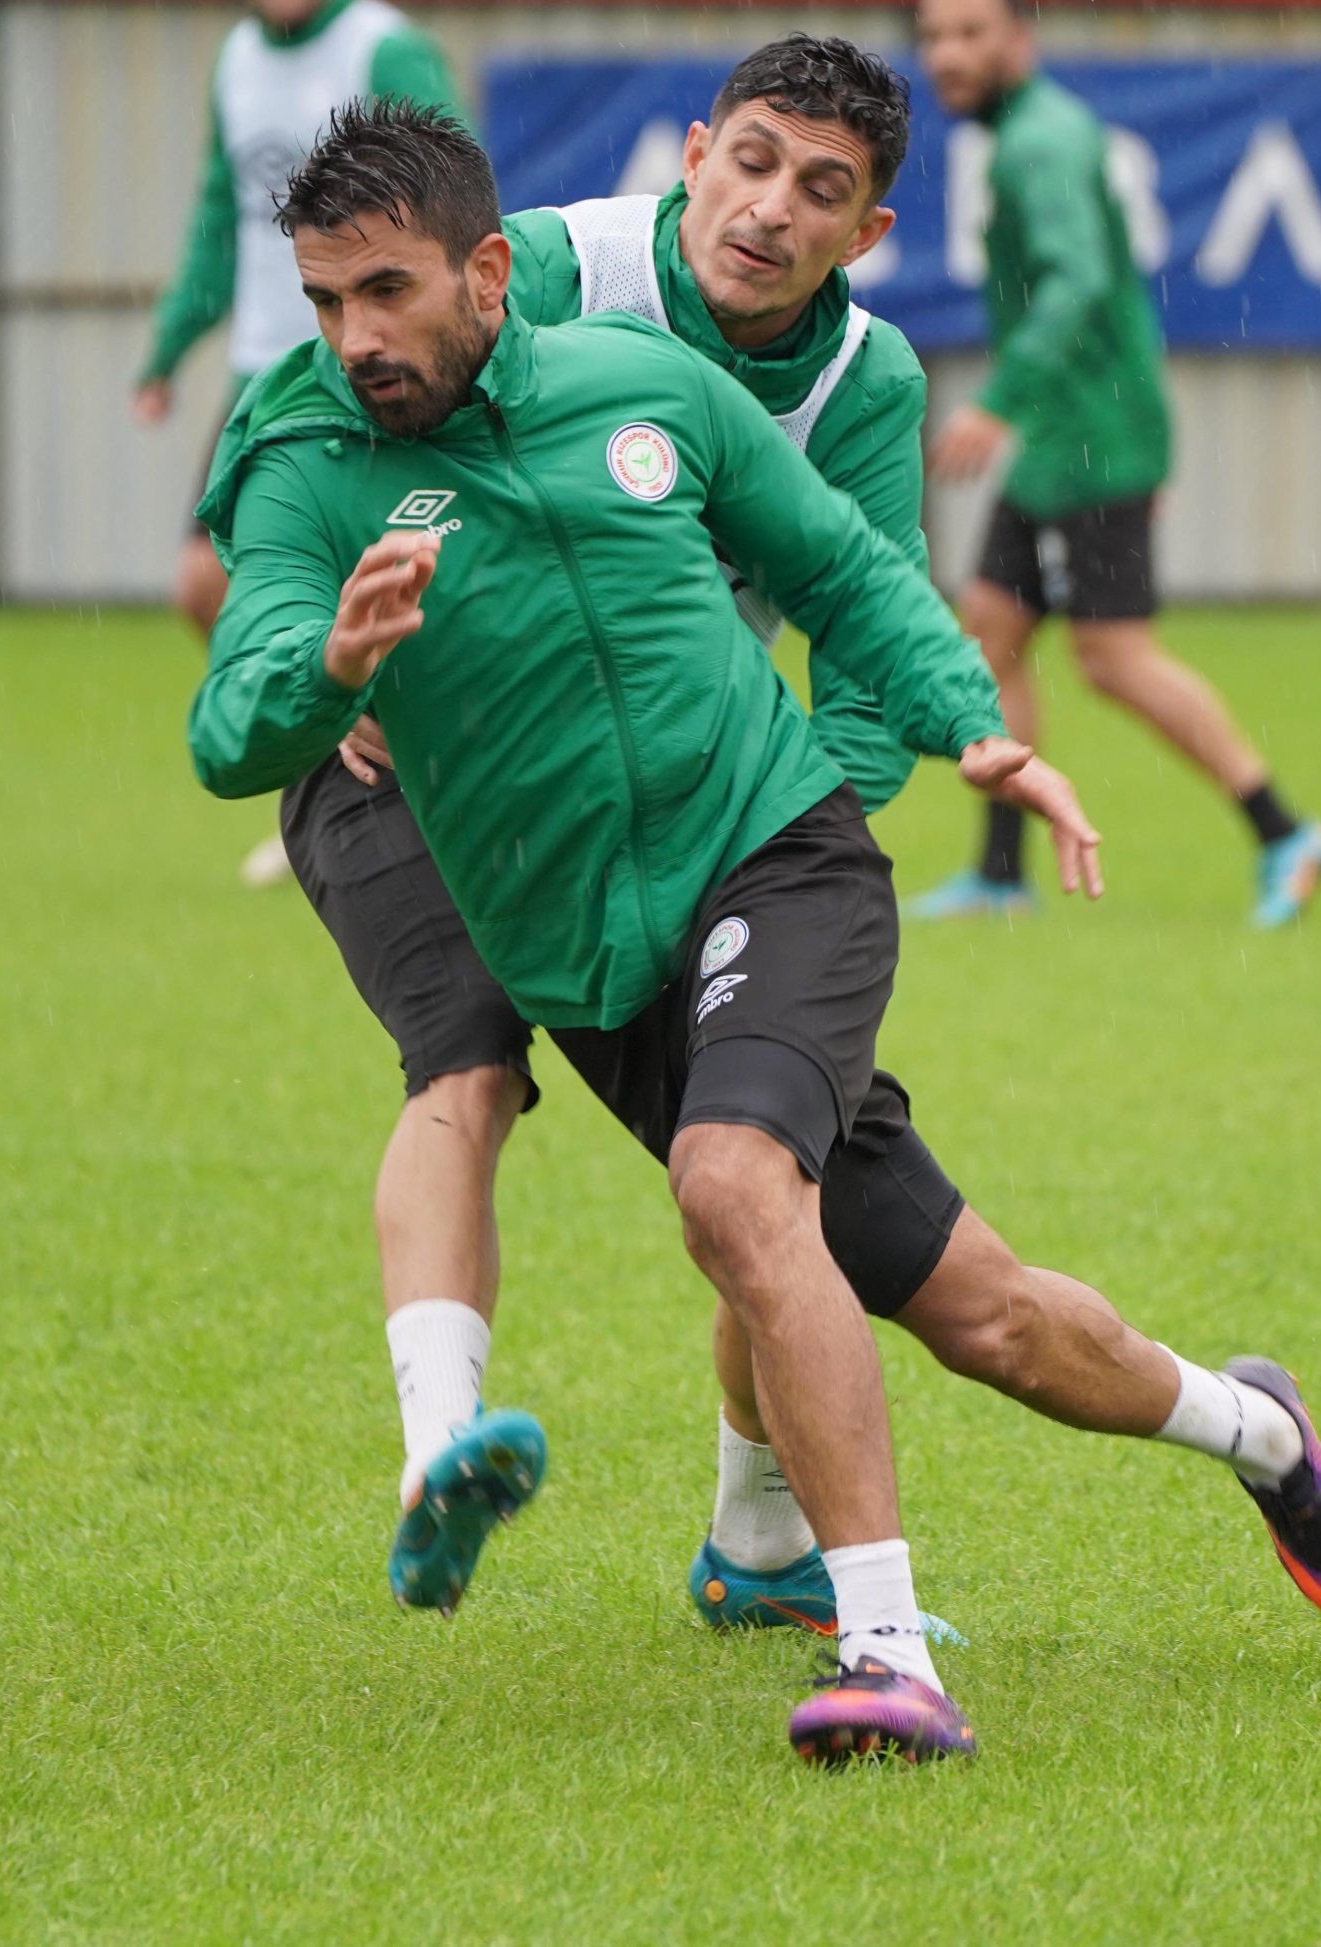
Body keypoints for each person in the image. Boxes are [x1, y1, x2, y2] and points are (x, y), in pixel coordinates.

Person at [188, 101, 1321, 1765]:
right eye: (323, 302)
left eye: (383, 293)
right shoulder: (302, 455)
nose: (353, 341)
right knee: (987, 1316)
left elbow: (843, 566)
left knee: (732, 1187)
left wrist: (970, 723)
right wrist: (321, 671)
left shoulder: (647, 389)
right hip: (587, 949)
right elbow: (222, 736)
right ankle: (1257, 1433)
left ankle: (884, 1649)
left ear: (482, 275)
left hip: (775, 854)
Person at [282, 37, 1002, 1644]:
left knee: (759, 1171)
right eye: (747, 160)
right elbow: (338, 387)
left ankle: (756, 1539)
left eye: (820, 190)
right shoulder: (540, 266)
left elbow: (872, 640)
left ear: (866, 233)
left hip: (671, 814)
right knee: (462, 1065)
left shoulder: (863, 381)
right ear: (690, 153)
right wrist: (316, 634)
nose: (767, 210)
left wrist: (769, 839)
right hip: (405, 768)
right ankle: (437, 1451)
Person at [911, 0, 1321, 930]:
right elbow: (1107, 287)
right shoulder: (1029, 132)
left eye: (970, 31)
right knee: (990, 629)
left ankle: (1283, 832)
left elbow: (1074, 280)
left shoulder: (1039, 145)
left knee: (1111, 655)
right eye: (934, 33)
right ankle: (998, 873)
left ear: (1019, 39)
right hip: (1069, 435)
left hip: (1089, 440)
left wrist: (1003, 397)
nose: (947, 51)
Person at [131, 0, 462, 884]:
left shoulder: (384, 48)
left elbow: (459, 210)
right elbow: (218, 214)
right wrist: (170, 345)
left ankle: (431, 782)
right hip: (267, 383)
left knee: (418, 587)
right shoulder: (236, 58)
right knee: (205, 585)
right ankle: (331, 764)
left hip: (373, 379)